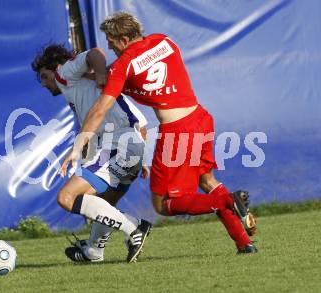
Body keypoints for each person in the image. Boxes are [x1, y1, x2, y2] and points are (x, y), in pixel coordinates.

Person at [61, 12, 258, 254]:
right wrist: (104, 75)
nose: (110, 46)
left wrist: (78, 145)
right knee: (208, 181)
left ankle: (230, 200)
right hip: (201, 118)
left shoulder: (123, 66)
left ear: (122, 38)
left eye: (111, 41)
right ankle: (244, 243)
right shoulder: (165, 41)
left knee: (164, 204)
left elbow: (100, 109)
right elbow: (138, 65)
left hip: (177, 131)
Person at [31, 44, 152, 263]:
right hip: (130, 146)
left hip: (117, 146)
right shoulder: (87, 91)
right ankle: (94, 250)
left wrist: (101, 76)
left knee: (67, 197)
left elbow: (96, 53)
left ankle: (134, 227)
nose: (44, 83)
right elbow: (141, 123)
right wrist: (141, 159)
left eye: (43, 76)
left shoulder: (63, 73)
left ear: (53, 68)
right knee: (104, 205)